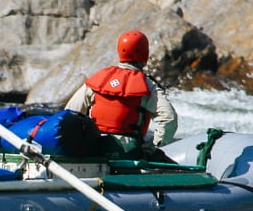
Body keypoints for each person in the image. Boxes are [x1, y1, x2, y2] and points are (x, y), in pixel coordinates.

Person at [65, 29, 178, 160]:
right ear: (145, 54)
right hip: (128, 151)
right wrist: (150, 147)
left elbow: (69, 113)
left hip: (94, 148)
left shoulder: (99, 79)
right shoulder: (148, 86)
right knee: (175, 170)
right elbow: (169, 119)